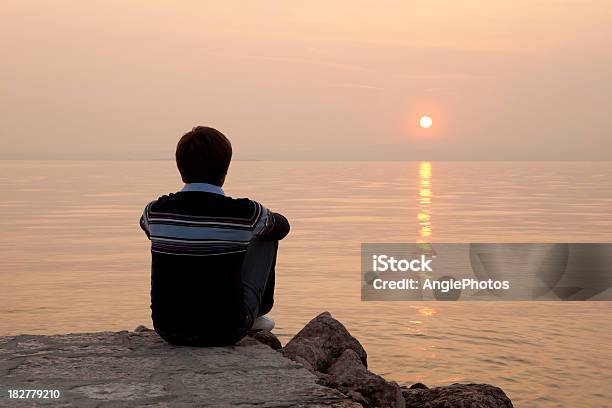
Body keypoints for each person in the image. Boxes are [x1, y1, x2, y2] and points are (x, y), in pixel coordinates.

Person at [139, 126, 290, 346]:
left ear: (180, 168)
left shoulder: (154, 211)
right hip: (226, 329)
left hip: (168, 329)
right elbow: (283, 227)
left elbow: (147, 229)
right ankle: (256, 315)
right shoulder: (244, 212)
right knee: (267, 234)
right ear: (225, 169)